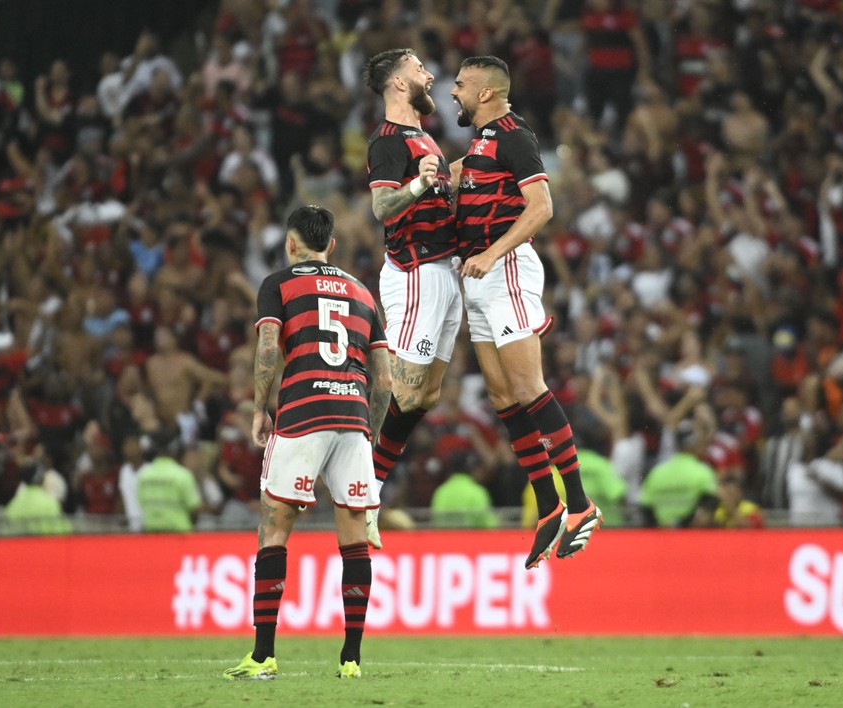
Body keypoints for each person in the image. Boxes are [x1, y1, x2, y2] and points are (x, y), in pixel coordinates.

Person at [223, 205, 391, 681]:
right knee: (354, 541)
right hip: (352, 419)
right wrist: (369, 432)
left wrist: (260, 407)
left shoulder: (278, 284)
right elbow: (384, 381)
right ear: (331, 246)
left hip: (301, 415)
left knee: (274, 532)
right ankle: (352, 659)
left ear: (291, 244)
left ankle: (263, 656)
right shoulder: (362, 293)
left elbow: (269, 346)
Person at [451, 55, 600, 568]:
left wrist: (493, 253)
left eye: (462, 85)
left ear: (487, 93)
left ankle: (579, 504)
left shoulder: (514, 134)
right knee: (502, 394)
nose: (454, 92)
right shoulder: (481, 141)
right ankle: (548, 504)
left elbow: (541, 206)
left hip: (505, 267)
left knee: (529, 387)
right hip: (479, 277)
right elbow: (469, 180)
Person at [361, 48, 462, 549]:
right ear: (398, 83)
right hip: (416, 271)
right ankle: (359, 485)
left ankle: (370, 488)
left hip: (445, 271)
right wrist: (422, 183)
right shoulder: (388, 141)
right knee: (399, 390)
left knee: (424, 396)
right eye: (420, 67)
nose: (429, 73)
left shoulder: (424, 137)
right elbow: (382, 206)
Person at [638, 420, 718, 528]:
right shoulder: (702, 472)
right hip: (691, 535)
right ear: (693, 444)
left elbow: (646, 506)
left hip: (660, 536)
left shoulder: (656, 473)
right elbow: (710, 504)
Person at [136, 434, 201, 532]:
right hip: (179, 533)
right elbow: (195, 508)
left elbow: (141, 503)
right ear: (175, 449)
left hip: (151, 532)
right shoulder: (182, 474)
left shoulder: (144, 475)